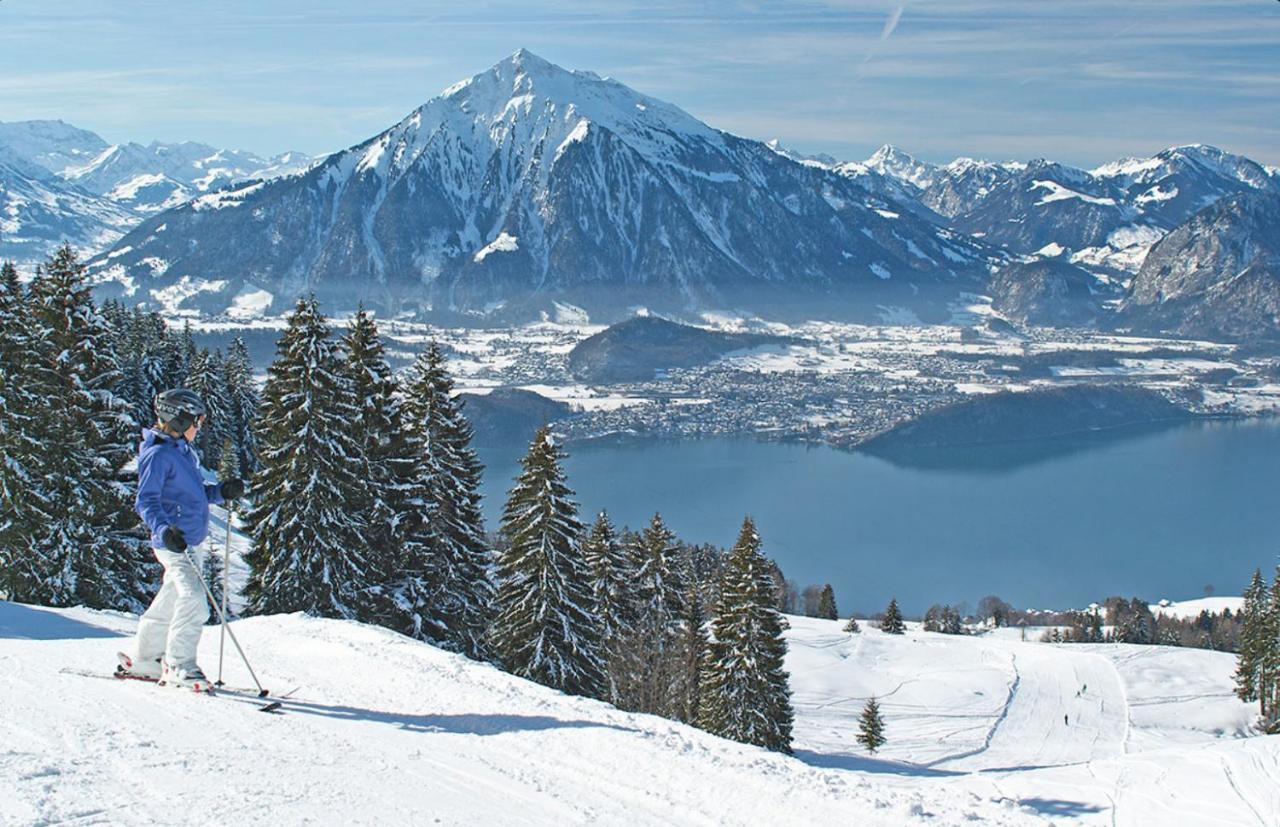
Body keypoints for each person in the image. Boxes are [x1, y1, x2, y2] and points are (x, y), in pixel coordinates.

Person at [123, 389, 248, 689]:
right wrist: (165, 530)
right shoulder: (158, 455)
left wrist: (221, 492)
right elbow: (146, 501)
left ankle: (144, 658)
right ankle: (179, 665)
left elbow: (194, 493)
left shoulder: (182, 451)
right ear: (177, 420)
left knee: (172, 598)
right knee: (194, 599)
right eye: (196, 420)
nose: (199, 426)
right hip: (174, 542)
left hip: (191, 540)